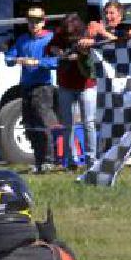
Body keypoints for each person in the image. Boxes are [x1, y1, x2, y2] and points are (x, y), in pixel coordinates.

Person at [4, 6, 58, 174]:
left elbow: (56, 61)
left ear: (43, 21)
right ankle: (38, 160)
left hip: (43, 87)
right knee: (29, 125)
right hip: (26, 86)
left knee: (43, 124)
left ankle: (49, 160)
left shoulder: (50, 39)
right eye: (31, 21)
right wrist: (15, 59)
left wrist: (37, 62)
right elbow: (8, 58)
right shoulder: (22, 39)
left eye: (37, 21)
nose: (34, 24)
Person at [46, 12, 98, 169]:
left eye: (71, 31)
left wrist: (81, 54)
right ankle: (69, 160)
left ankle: (91, 160)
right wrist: (59, 52)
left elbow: (95, 53)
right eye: (66, 30)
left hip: (86, 85)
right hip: (65, 84)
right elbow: (50, 48)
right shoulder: (59, 34)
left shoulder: (86, 33)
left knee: (88, 123)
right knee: (67, 124)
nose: (69, 33)